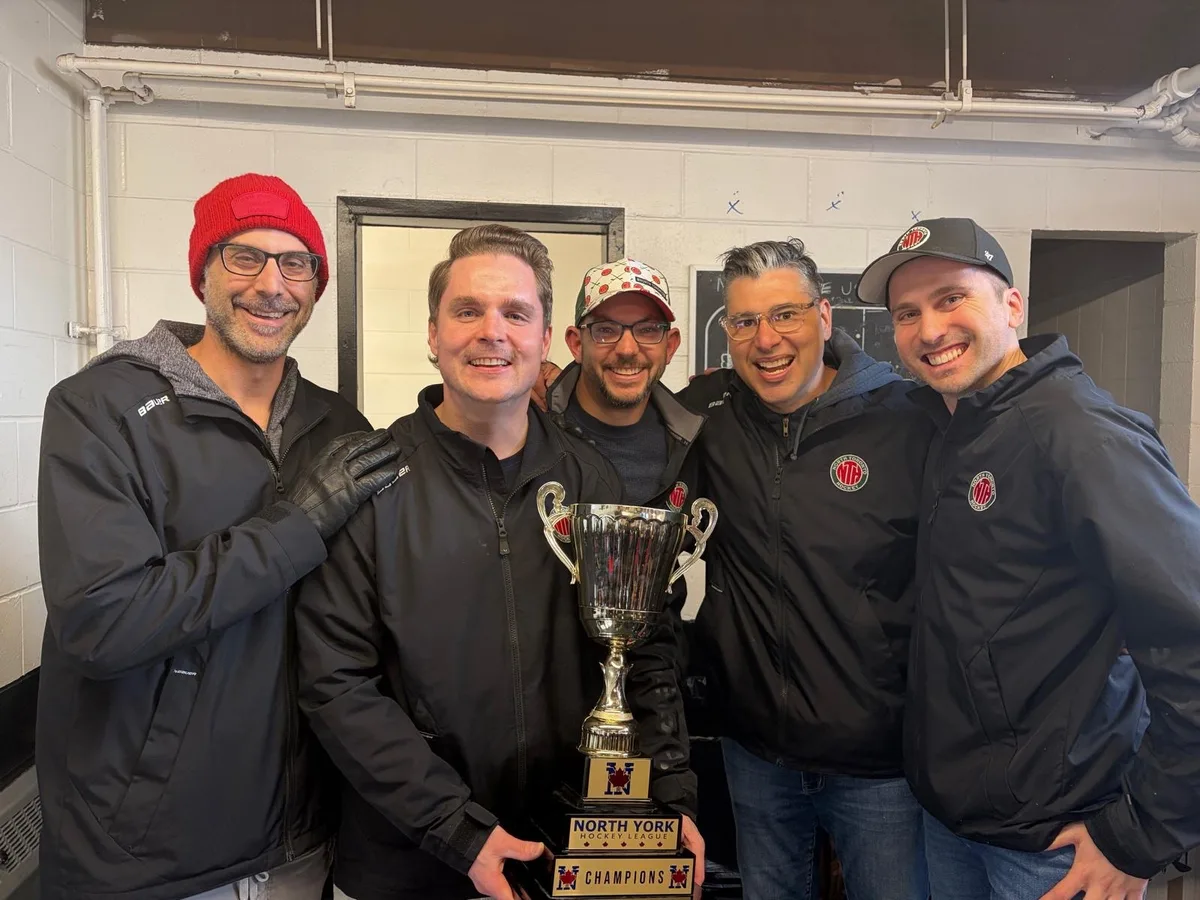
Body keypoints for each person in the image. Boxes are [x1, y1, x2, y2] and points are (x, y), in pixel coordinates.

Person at [294, 225, 695, 900]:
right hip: (411, 861)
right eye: (467, 311)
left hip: (561, 855)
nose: (492, 332)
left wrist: (668, 796)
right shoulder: (370, 482)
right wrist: (457, 829)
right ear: (432, 334)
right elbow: (336, 684)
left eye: (515, 313)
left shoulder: (593, 485)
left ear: (544, 342)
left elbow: (644, 649)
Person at [35, 173, 403, 900]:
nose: (272, 284)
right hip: (153, 854)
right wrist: (297, 523)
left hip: (302, 837)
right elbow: (103, 623)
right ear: (202, 271)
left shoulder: (337, 429)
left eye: (296, 264)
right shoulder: (101, 408)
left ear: (316, 288)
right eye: (245, 257)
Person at [863, 215, 1200, 900]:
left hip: (1055, 841)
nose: (929, 330)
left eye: (951, 298)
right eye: (908, 313)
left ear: (1012, 306)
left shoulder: (1080, 434)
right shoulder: (955, 425)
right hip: (957, 819)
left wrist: (1141, 835)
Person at [676, 238, 934, 900]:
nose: (766, 339)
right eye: (744, 322)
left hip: (882, 767)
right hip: (757, 754)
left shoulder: (908, 421)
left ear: (824, 318)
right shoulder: (716, 429)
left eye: (784, 315)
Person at [540, 257, 706, 870]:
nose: (627, 349)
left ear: (672, 344)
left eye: (648, 330)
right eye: (607, 329)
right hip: (522, 735)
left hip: (630, 736)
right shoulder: (525, 428)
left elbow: (656, 633)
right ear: (576, 341)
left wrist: (673, 789)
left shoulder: (693, 448)